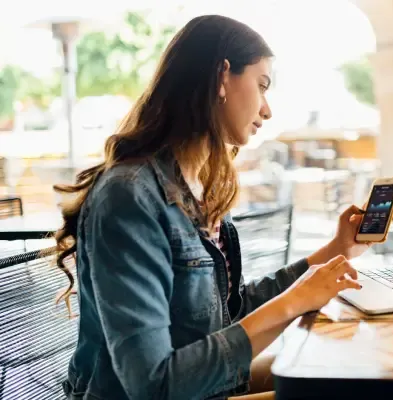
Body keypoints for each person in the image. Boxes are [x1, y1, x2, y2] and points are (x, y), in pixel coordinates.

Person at [53, 15, 371, 400]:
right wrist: (295, 302)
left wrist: (336, 251)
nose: (267, 110)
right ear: (223, 75)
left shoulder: (200, 188)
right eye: (262, 85)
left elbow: (229, 311)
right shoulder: (129, 197)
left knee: (350, 373)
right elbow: (153, 384)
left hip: (201, 389)